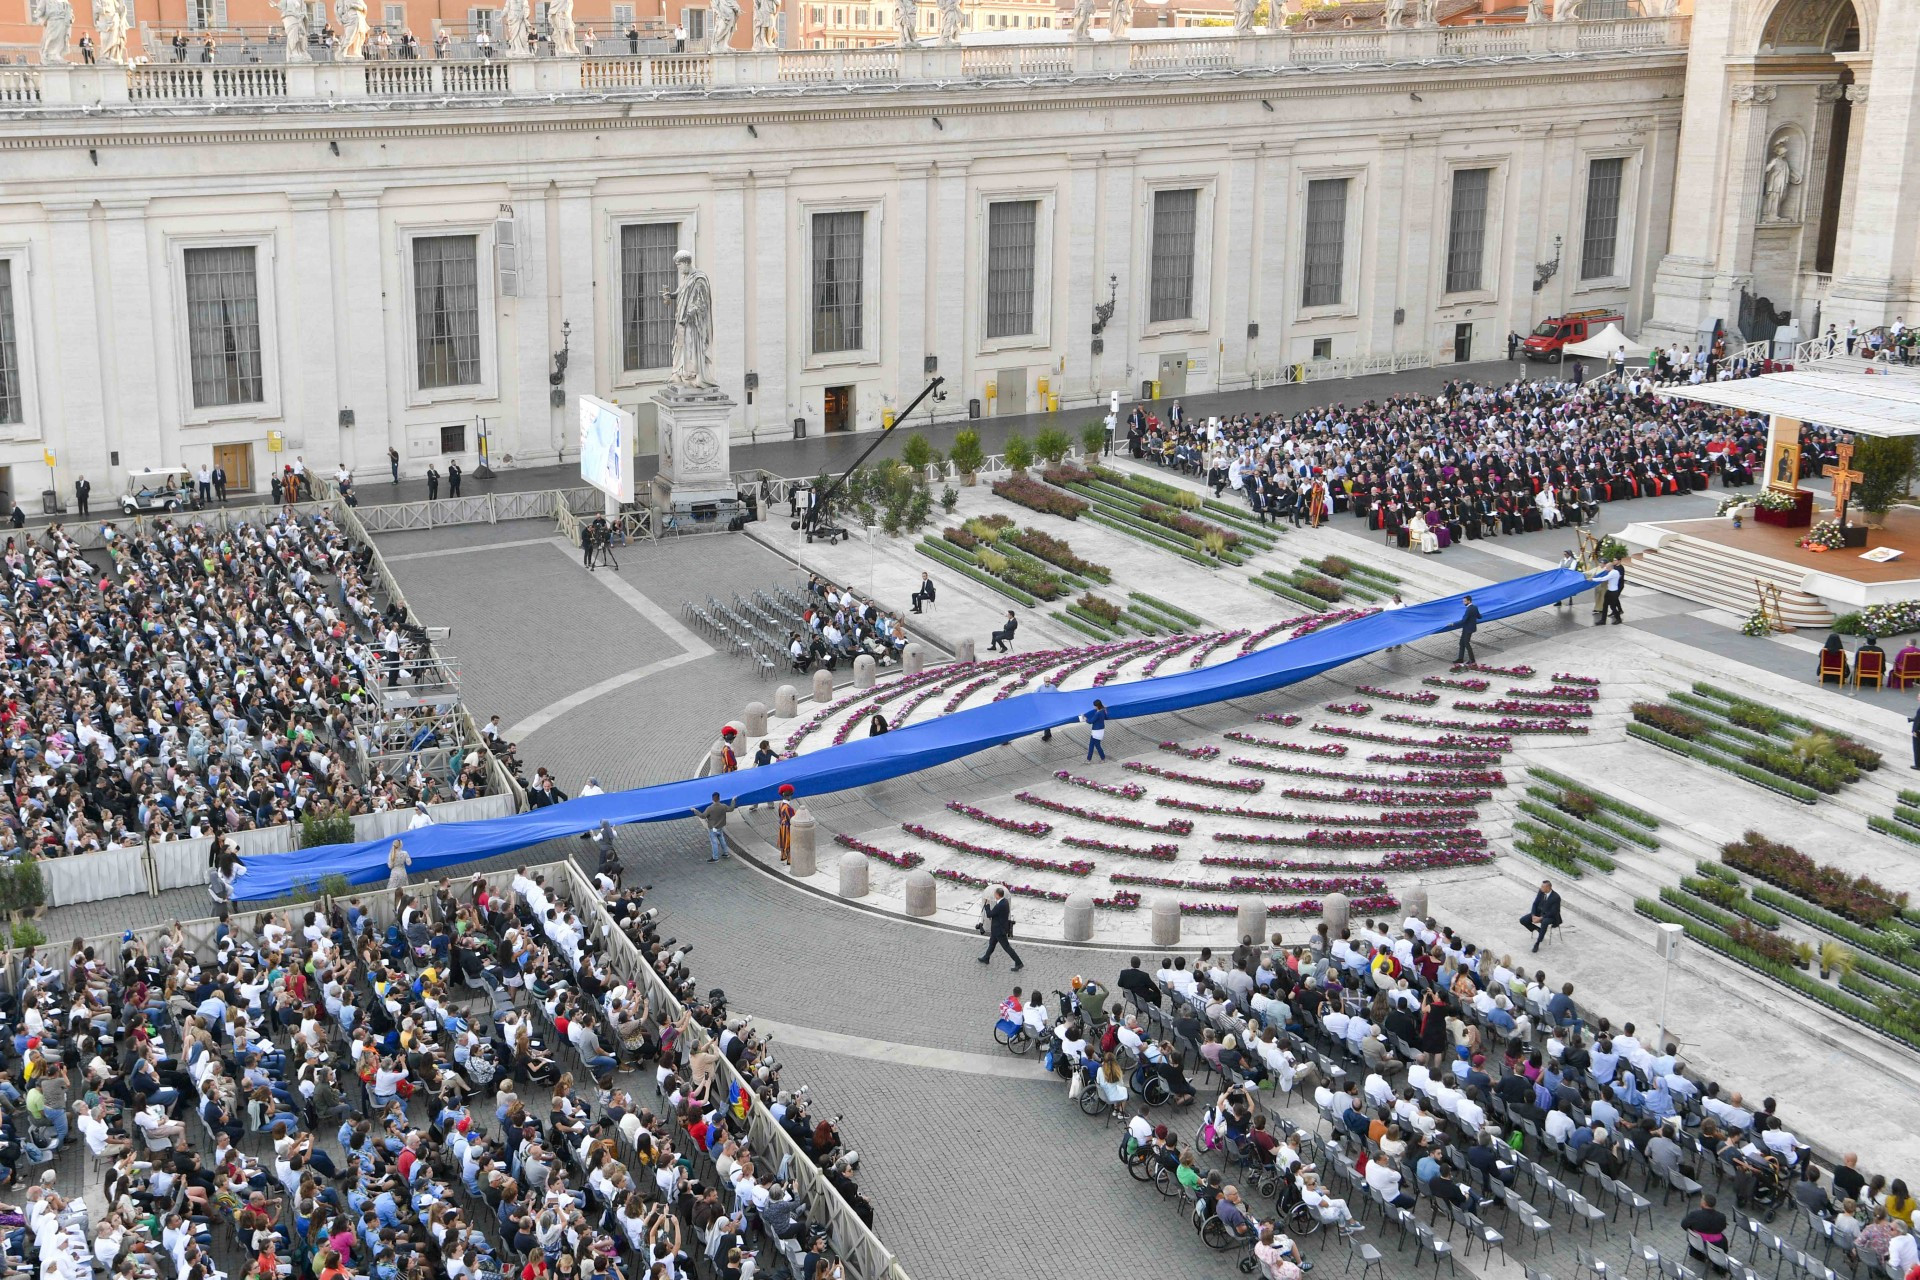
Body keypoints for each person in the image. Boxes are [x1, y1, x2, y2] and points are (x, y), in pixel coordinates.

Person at [977, 886, 1023, 971]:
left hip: (999, 930)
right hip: (996, 929)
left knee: (1007, 947)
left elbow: (990, 914)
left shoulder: (1000, 905)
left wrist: (987, 906)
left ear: (997, 895)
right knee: (992, 944)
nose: (994, 895)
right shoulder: (1004, 902)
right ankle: (986, 958)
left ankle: (1019, 962)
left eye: (995, 893)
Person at [1682, 1192, 1730, 1266]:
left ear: (1704, 1204)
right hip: (1715, 1244)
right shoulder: (1721, 1217)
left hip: (1697, 1242)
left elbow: (1683, 1225)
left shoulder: (1694, 1215)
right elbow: (1722, 1227)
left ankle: (1698, 1255)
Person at [1521, 879, 1561, 952]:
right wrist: (1533, 915)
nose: (1541, 888)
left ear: (1548, 888)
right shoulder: (1541, 892)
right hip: (1539, 913)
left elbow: (1554, 912)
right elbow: (1535, 903)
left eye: (1543, 886)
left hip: (1550, 917)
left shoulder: (1556, 897)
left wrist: (1540, 918)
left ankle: (1537, 943)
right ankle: (1538, 929)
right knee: (1523, 920)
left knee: (1544, 922)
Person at [694, 792, 733, 862]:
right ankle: (726, 853)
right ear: (719, 798)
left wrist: (695, 811)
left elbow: (703, 816)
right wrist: (733, 800)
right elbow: (731, 809)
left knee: (714, 842)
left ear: (712, 799)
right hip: (720, 827)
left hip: (712, 828)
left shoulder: (710, 808)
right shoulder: (723, 806)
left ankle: (715, 858)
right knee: (722, 839)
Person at [1595, 558, 1625, 625]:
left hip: (1613, 592)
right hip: (1609, 591)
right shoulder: (1613, 571)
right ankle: (1603, 620)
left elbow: (1603, 578)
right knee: (1605, 605)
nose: (1605, 569)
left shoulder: (1613, 573)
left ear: (1610, 567)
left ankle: (1618, 619)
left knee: (1613, 606)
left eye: (1606, 568)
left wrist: (1593, 579)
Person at [1455, 594, 1480, 664]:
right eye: (1463, 601)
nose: (1463, 603)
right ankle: (1460, 659)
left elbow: (1463, 620)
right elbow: (1479, 616)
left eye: (1465, 601)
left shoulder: (1468, 609)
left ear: (1469, 601)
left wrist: (1453, 624)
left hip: (1468, 629)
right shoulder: (1475, 607)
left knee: (1466, 643)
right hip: (1469, 628)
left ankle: (1472, 660)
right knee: (1461, 643)